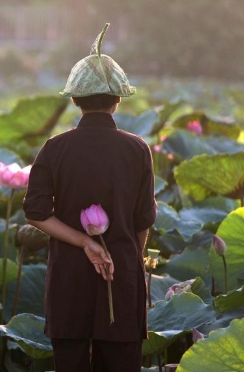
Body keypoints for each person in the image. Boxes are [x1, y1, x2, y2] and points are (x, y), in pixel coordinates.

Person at [22, 23, 157, 372]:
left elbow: (35, 212)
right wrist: (128, 258)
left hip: (69, 280)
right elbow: (144, 220)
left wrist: (83, 242)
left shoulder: (54, 149)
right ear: (117, 100)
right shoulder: (138, 149)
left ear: (74, 100)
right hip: (122, 273)